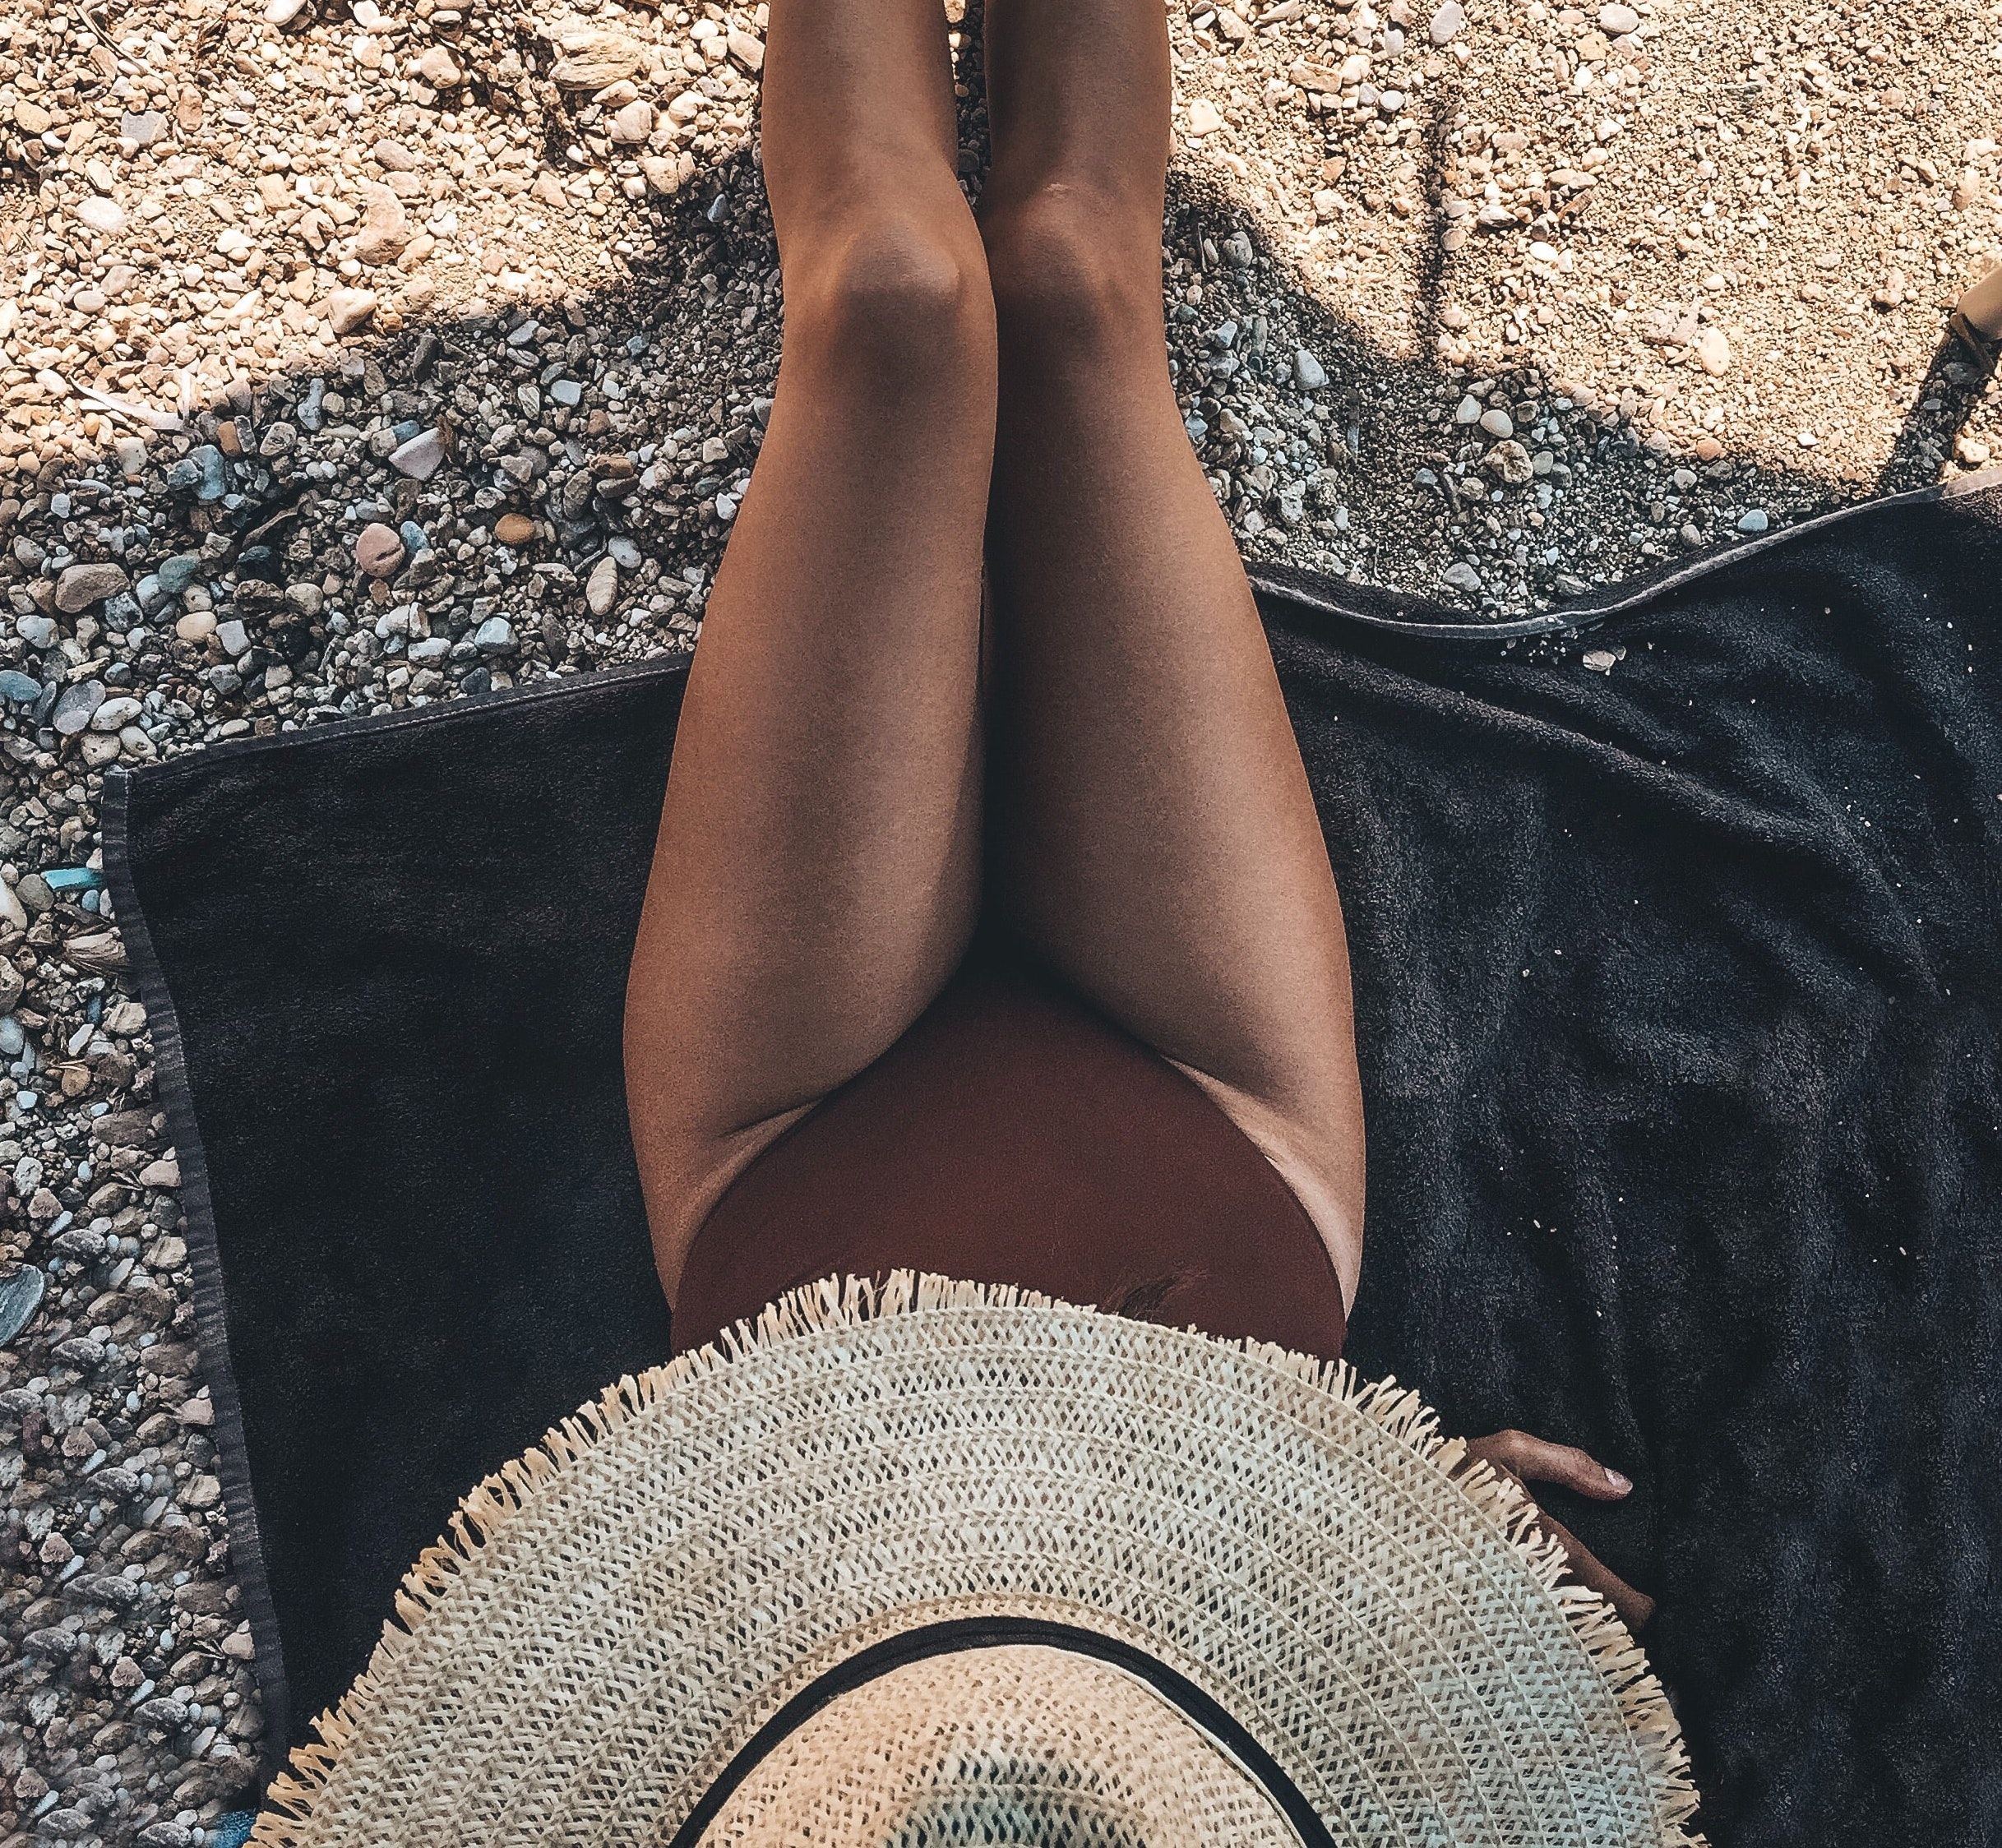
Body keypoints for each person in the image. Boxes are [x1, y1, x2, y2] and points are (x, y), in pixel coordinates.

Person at [621, 0, 1653, 1630]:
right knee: (1066, 280)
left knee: (894, 297)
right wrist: (1397, 1552)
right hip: (1217, 1126)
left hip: (788, 1150)